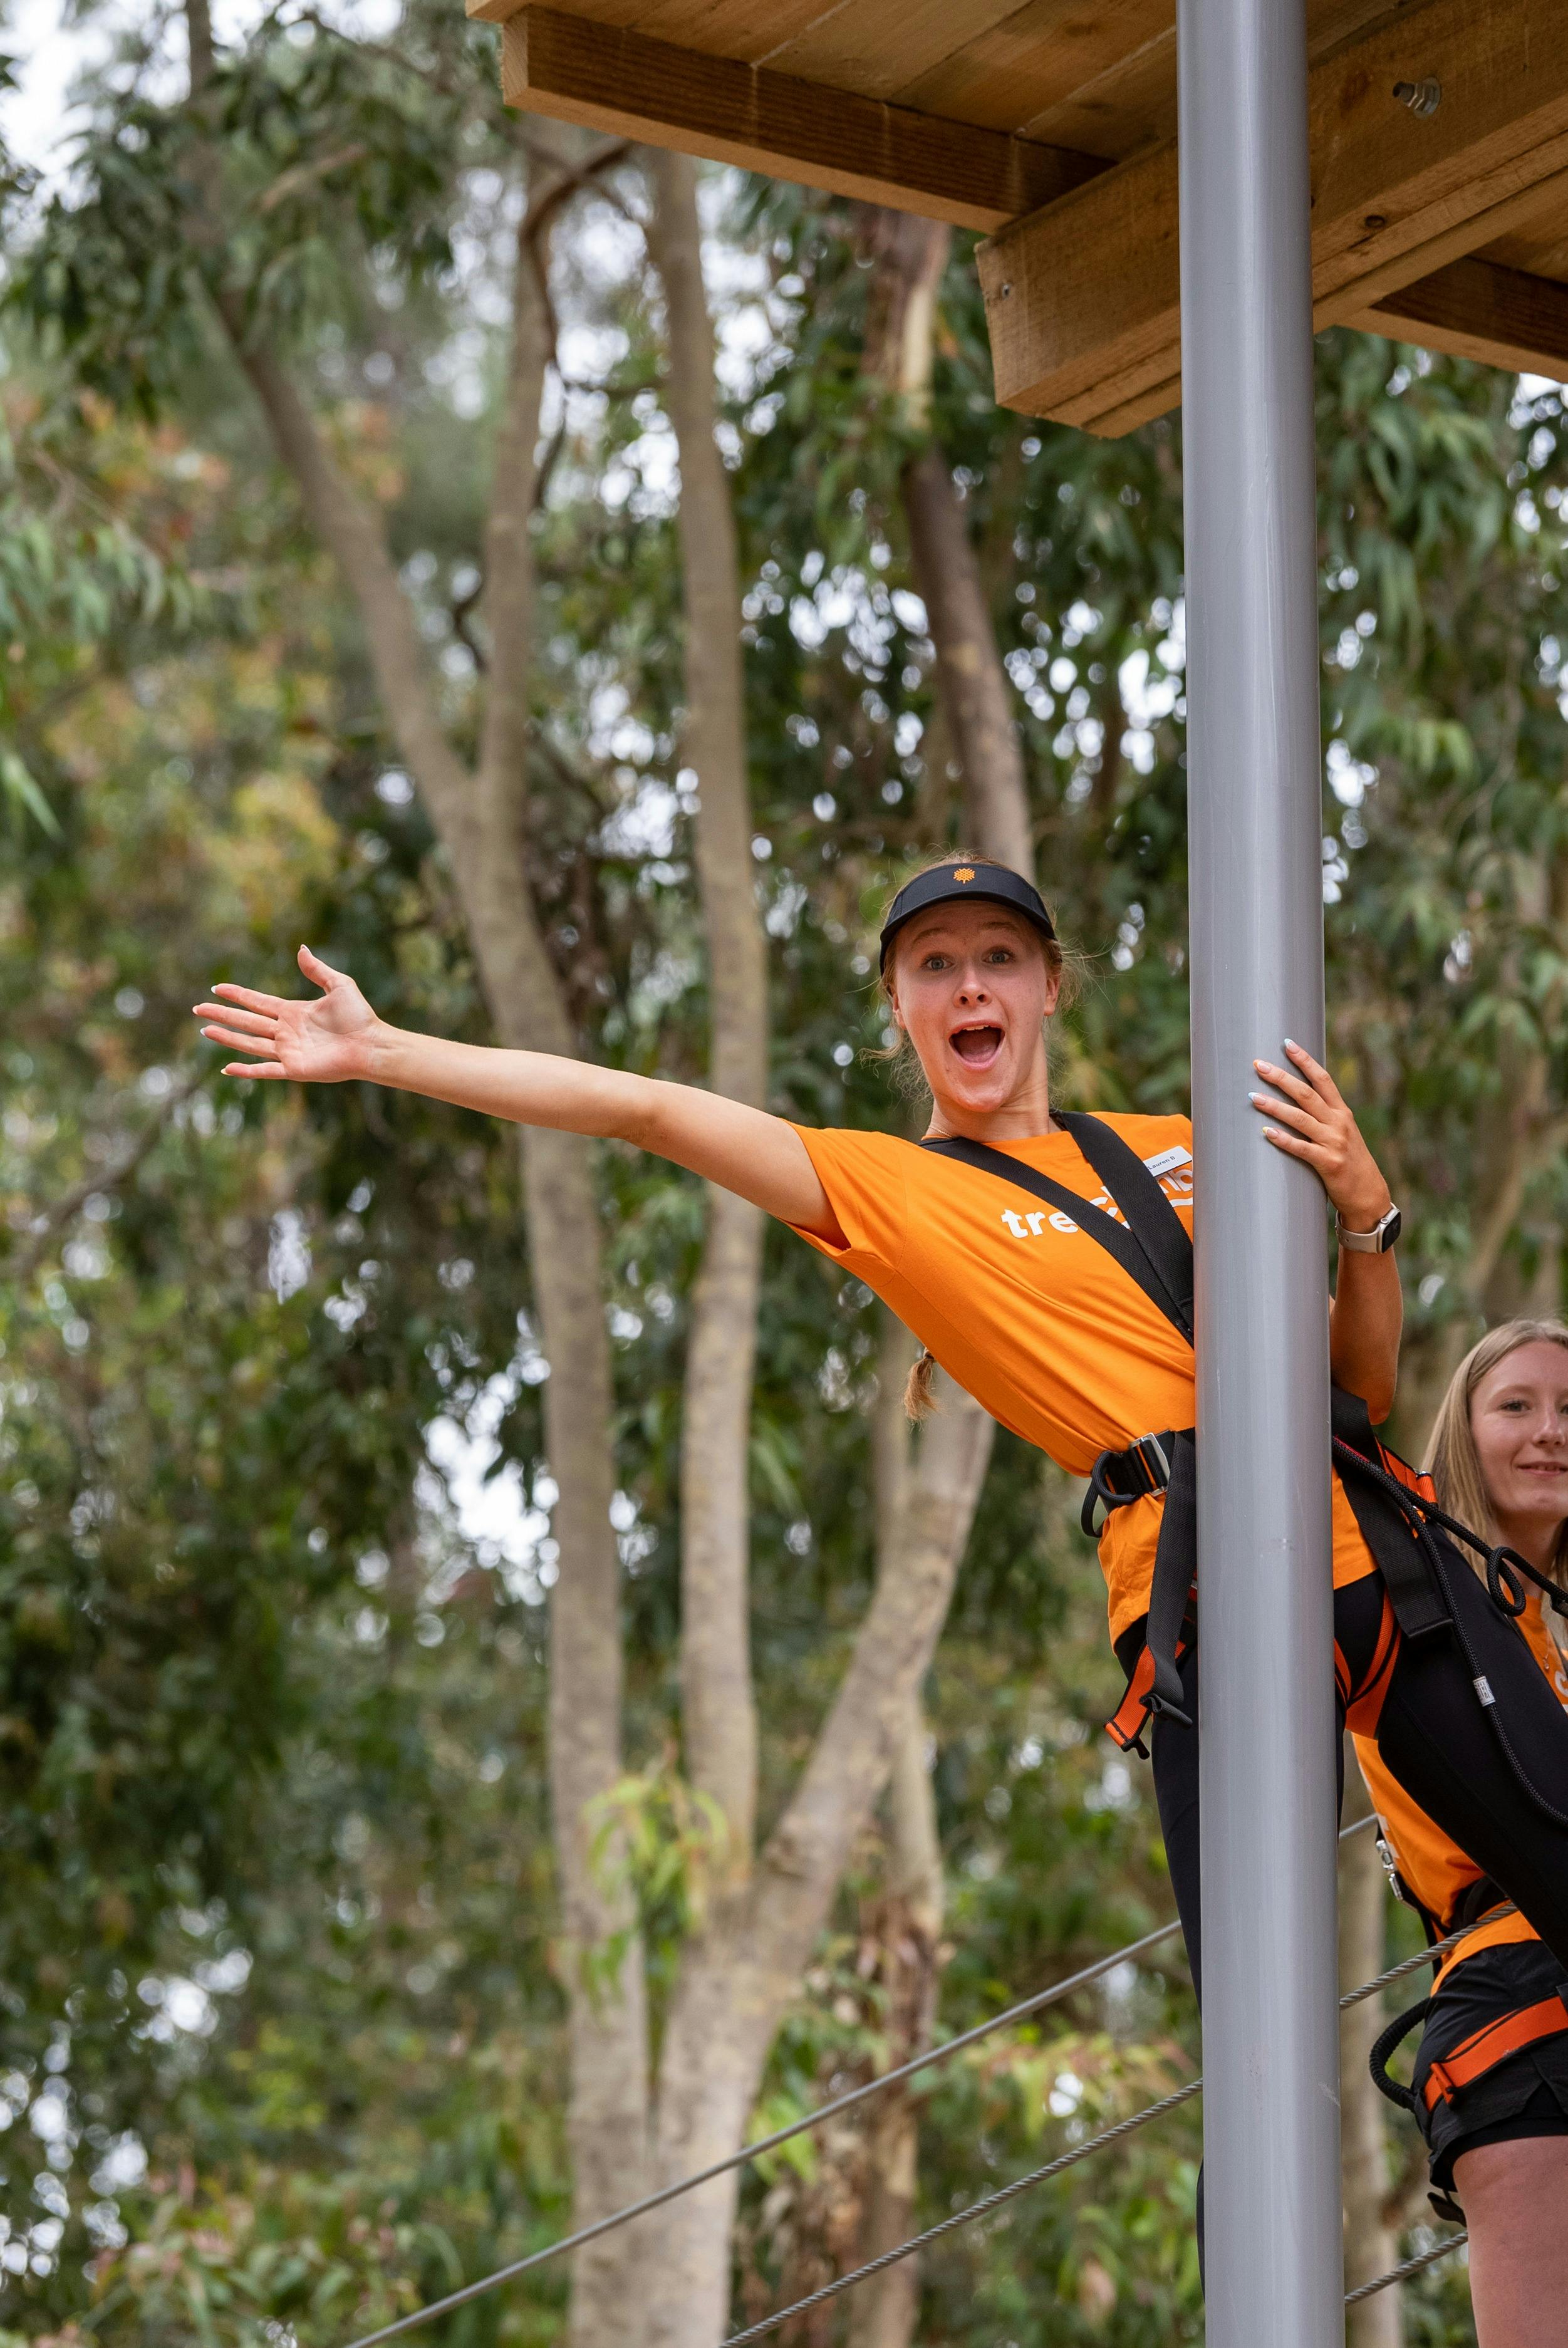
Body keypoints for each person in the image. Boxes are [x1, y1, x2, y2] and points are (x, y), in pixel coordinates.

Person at [192, 854, 1568, 2003]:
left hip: (1370, 1556)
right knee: (1255, 2023)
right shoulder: (885, 1187)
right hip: (1200, 1582)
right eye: (934, 965)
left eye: (1000, 958)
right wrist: (384, 1052)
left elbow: (1358, 1387)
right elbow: (645, 1107)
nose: (971, 985)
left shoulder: (1191, 1133)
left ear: (1046, 986)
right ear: (900, 1008)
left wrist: (1365, 1213)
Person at [1362, 1321, 1568, 2348]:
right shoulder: (1420, 1588)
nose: (1551, 1434)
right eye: (1518, 1407)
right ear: (1464, 1435)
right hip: (1521, 1998)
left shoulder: (1549, 1624)